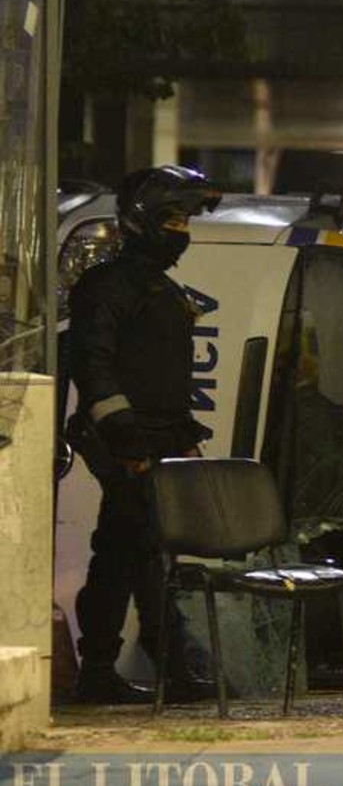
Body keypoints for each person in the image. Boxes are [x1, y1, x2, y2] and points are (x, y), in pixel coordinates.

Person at [67, 165, 222, 704]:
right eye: (173, 218)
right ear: (143, 220)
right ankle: (135, 668)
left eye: (186, 218)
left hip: (159, 441)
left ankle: (136, 668)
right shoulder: (108, 286)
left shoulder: (162, 290)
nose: (182, 230)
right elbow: (96, 366)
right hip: (123, 443)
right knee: (128, 551)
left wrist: (182, 438)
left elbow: (166, 379)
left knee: (139, 552)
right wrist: (127, 441)